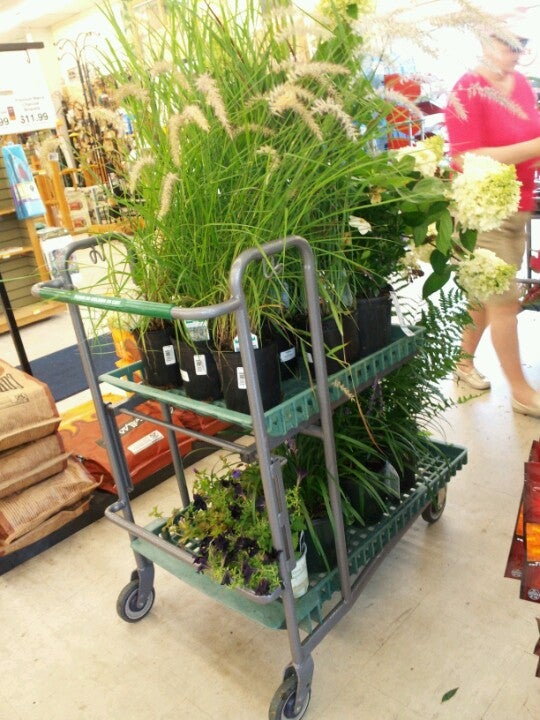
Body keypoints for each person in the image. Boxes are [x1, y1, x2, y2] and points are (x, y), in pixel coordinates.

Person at [445, 24, 540, 418]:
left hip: (517, 207)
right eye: (509, 44)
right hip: (483, 214)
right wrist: (535, 147)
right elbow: (464, 158)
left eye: (522, 45)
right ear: (484, 41)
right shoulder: (466, 90)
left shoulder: (521, 86)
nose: (516, 53)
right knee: (504, 302)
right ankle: (521, 392)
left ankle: (463, 363)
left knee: (485, 298)